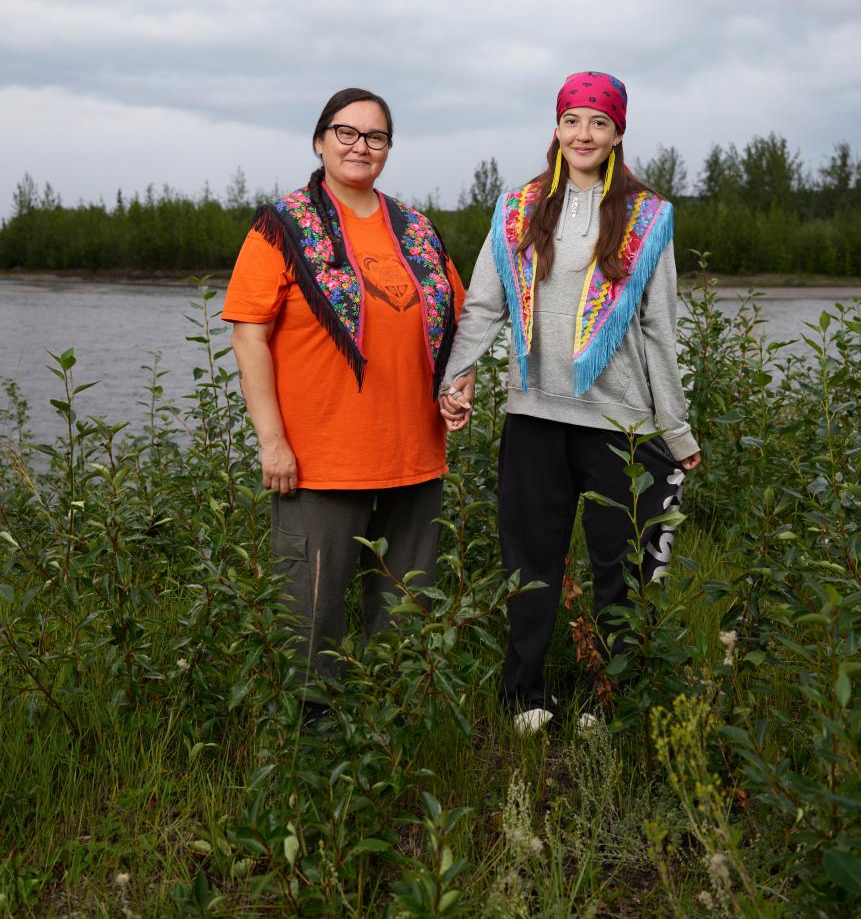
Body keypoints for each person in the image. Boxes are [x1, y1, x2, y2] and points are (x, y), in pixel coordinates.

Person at [440, 71, 700, 735]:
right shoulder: (517, 207)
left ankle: (608, 696)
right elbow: (483, 304)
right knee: (528, 562)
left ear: (617, 134)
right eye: (572, 120)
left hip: (622, 425)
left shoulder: (647, 217)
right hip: (533, 415)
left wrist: (675, 428)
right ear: (556, 128)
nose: (583, 133)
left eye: (599, 122)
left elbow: (660, 327)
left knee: (623, 567)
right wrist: (457, 376)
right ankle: (523, 693)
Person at [223, 88, 464, 721]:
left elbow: (460, 326)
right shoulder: (282, 225)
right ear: (320, 140)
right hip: (320, 458)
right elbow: (249, 334)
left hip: (415, 455)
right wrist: (271, 441)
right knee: (310, 613)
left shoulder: (415, 228)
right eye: (346, 133)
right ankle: (311, 749)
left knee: (405, 611)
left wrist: (459, 386)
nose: (360, 146)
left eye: (375, 136)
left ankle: (387, 735)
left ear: (389, 148)